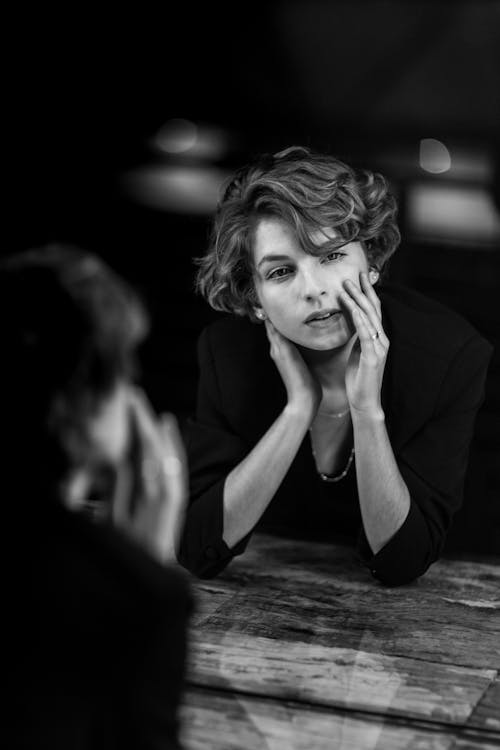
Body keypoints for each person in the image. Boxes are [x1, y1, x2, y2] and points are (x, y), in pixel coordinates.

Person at [179, 146, 493, 585]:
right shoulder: (227, 355)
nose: (314, 290)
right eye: (281, 272)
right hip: (269, 600)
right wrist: (298, 409)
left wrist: (367, 409)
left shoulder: (448, 358)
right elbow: (197, 548)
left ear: (372, 259)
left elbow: (403, 563)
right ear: (254, 299)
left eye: (331, 256)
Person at [2, 244, 191, 749]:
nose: (135, 389)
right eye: (125, 367)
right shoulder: (135, 597)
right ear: (85, 398)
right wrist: (146, 573)